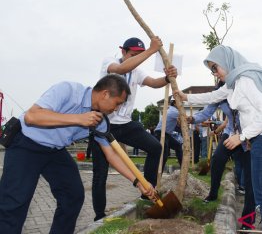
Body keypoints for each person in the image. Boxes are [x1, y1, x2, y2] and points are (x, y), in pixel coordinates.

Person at [0, 75, 156, 234]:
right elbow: (32, 116)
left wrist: (138, 181)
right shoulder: (68, 90)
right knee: (15, 202)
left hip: (55, 151)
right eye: (117, 103)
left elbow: (112, 155)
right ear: (105, 94)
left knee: (72, 196)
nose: (116, 109)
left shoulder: (100, 121)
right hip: (26, 144)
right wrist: (79, 118)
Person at [175, 45, 262, 233]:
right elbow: (212, 96)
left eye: (215, 67)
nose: (214, 73)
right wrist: (185, 96)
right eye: (211, 70)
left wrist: (242, 136)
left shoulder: (246, 80)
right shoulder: (234, 83)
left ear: (227, 62)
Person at [92, 36, 178, 221]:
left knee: (156, 147)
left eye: (139, 55)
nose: (136, 59)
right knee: (101, 172)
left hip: (125, 124)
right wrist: (151, 50)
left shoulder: (137, 72)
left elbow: (154, 83)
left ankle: (147, 193)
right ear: (123, 51)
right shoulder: (110, 62)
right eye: (133, 54)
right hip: (103, 124)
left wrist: (167, 77)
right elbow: (123, 68)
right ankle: (99, 216)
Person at [154, 98, 183, 169]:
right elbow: (184, 120)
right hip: (161, 133)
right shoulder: (175, 111)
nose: (181, 104)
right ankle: (158, 172)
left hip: (166, 134)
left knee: (178, 146)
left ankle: (183, 168)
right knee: (164, 155)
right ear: (175, 103)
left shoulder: (172, 110)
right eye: (180, 102)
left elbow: (179, 124)